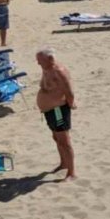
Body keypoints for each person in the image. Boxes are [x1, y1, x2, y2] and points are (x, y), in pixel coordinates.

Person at [35, 47, 77, 181]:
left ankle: (71, 173)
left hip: (58, 110)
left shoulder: (59, 72)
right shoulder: (46, 68)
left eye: (40, 60)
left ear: (50, 59)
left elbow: (69, 92)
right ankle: (63, 163)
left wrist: (71, 104)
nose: (38, 63)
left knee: (64, 141)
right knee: (56, 138)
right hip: (49, 111)